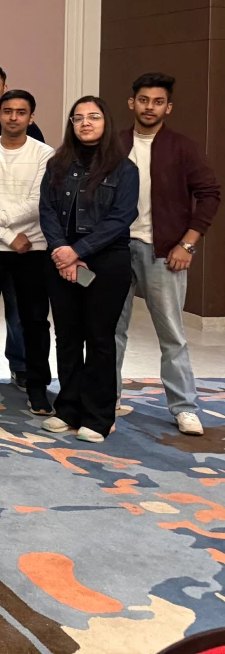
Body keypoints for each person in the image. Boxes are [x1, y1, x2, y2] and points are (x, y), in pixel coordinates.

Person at [116, 73, 218, 436]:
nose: (149, 107)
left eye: (157, 102)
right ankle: (106, 398)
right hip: (114, 249)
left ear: (168, 107)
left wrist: (187, 243)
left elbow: (209, 194)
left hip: (163, 252)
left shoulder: (183, 148)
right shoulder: (115, 144)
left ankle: (184, 407)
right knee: (111, 330)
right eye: (143, 100)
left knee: (171, 333)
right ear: (132, 103)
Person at [40, 96, 139, 443]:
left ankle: (97, 417)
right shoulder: (57, 165)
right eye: (78, 117)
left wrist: (77, 251)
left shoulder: (125, 170)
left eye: (93, 117)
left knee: (99, 338)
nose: (85, 123)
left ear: (105, 122)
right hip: (62, 258)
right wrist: (62, 251)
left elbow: (121, 218)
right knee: (67, 337)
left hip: (107, 261)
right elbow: (47, 211)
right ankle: (67, 409)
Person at [0, 89, 55, 414]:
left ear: (31, 118)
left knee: (33, 321)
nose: (13, 117)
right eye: (8, 111)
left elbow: (37, 202)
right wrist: (6, 234)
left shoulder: (46, 154)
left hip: (32, 248)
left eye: (21, 112)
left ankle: (37, 385)